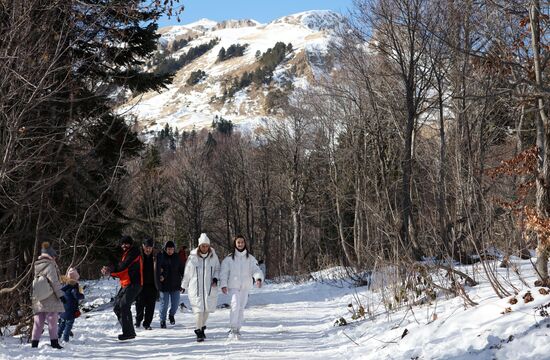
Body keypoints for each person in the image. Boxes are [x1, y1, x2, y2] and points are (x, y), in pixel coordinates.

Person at [219, 235, 264, 339]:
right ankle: (233, 328)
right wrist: (223, 285)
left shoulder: (250, 258)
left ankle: (237, 329)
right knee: (235, 305)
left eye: (242, 242)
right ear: (235, 243)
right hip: (233, 286)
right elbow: (224, 273)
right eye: (238, 242)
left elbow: (256, 270)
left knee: (241, 307)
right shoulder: (229, 258)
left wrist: (258, 279)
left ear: (245, 243)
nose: (240, 244)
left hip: (245, 287)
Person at [101, 235, 142, 341]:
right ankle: (129, 331)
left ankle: (128, 333)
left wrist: (111, 272)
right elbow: (117, 265)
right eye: (122, 243)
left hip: (134, 283)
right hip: (126, 284)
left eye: (126, 243)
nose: (124, 245)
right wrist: (109, 269)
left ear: (131, 244)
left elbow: (123, 267)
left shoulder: (134, 252)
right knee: (117, 307)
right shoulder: (125, 254)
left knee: (124, 305)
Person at [181, 233, 220, 342]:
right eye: (202, 246)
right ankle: (198, 331)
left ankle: (202, 327)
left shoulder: (213, 256)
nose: (204, 248)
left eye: (206, 245)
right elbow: (187, 273)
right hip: (196, 289)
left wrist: (215, 278)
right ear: (199, 246)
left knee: (206, 311)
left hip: (209, 288)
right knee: (198, 311)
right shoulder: (192, 257)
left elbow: (217, 268)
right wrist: (183, 285)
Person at [30, 241, 65, 349]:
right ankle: (54, 343)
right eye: (54, 256)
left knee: (38, 322)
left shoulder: (37, 265)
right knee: (52, 321)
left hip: (38, 297)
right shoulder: (50, 266)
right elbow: (54, 282)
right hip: (50, 297)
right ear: (51, 256)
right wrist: (61, 295)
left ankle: (34, 344)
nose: (55, 258)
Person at [156, 240, 184, 328]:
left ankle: (171, 315)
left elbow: (182, 270)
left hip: (175, 285)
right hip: (164, 285)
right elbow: (156, 269)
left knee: (175, 304)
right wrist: (160, 276)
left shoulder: (177, 257)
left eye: (172, 249)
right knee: (164, 304)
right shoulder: (160, 257)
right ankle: (162, 320)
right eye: (168, 249)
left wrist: (184, 283)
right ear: (165, 249)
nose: (170, 251)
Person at [135, 236, 157, 330]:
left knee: (150, 306)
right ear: (143, 246)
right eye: (146, 246)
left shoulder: (156, 256)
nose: (148, 249)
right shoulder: (138, 256)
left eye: (150, 247)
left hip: (153, 285)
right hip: (141, 285)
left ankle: (147, 324)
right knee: (139, 305)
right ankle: (138, 320)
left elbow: (162, 267)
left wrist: (162, 275)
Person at [58, 267, 85, 343]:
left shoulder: (65, 285)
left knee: (62, 324)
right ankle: (65, 339)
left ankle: (58, 336)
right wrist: (82, 295)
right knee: (68, 325)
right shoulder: (74, 286)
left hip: (63, 308)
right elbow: (76, 295)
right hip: (70, 309)